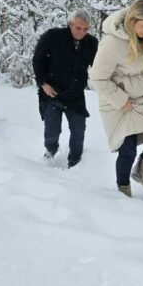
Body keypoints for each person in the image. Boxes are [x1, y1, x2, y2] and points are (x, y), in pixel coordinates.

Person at [89, 0, 143, 198]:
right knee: (128, 149)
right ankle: (123, 189)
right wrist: (120, 99)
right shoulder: (112, 42)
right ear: (132, 20)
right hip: (118, 103)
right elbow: (98, 78)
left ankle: (141, 171)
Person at [32, 10, 98, 168]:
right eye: (78, 28)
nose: (81, 32)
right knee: (52, 131)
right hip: (52, 92)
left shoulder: (92, 43)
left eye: (85, 29)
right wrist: (43, 84)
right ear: (70, 24)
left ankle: (75, 162)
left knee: (78, 130)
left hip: (75, 95)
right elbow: (38, 61)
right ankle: (50, 151)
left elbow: (99, 68)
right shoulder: (53, 36)